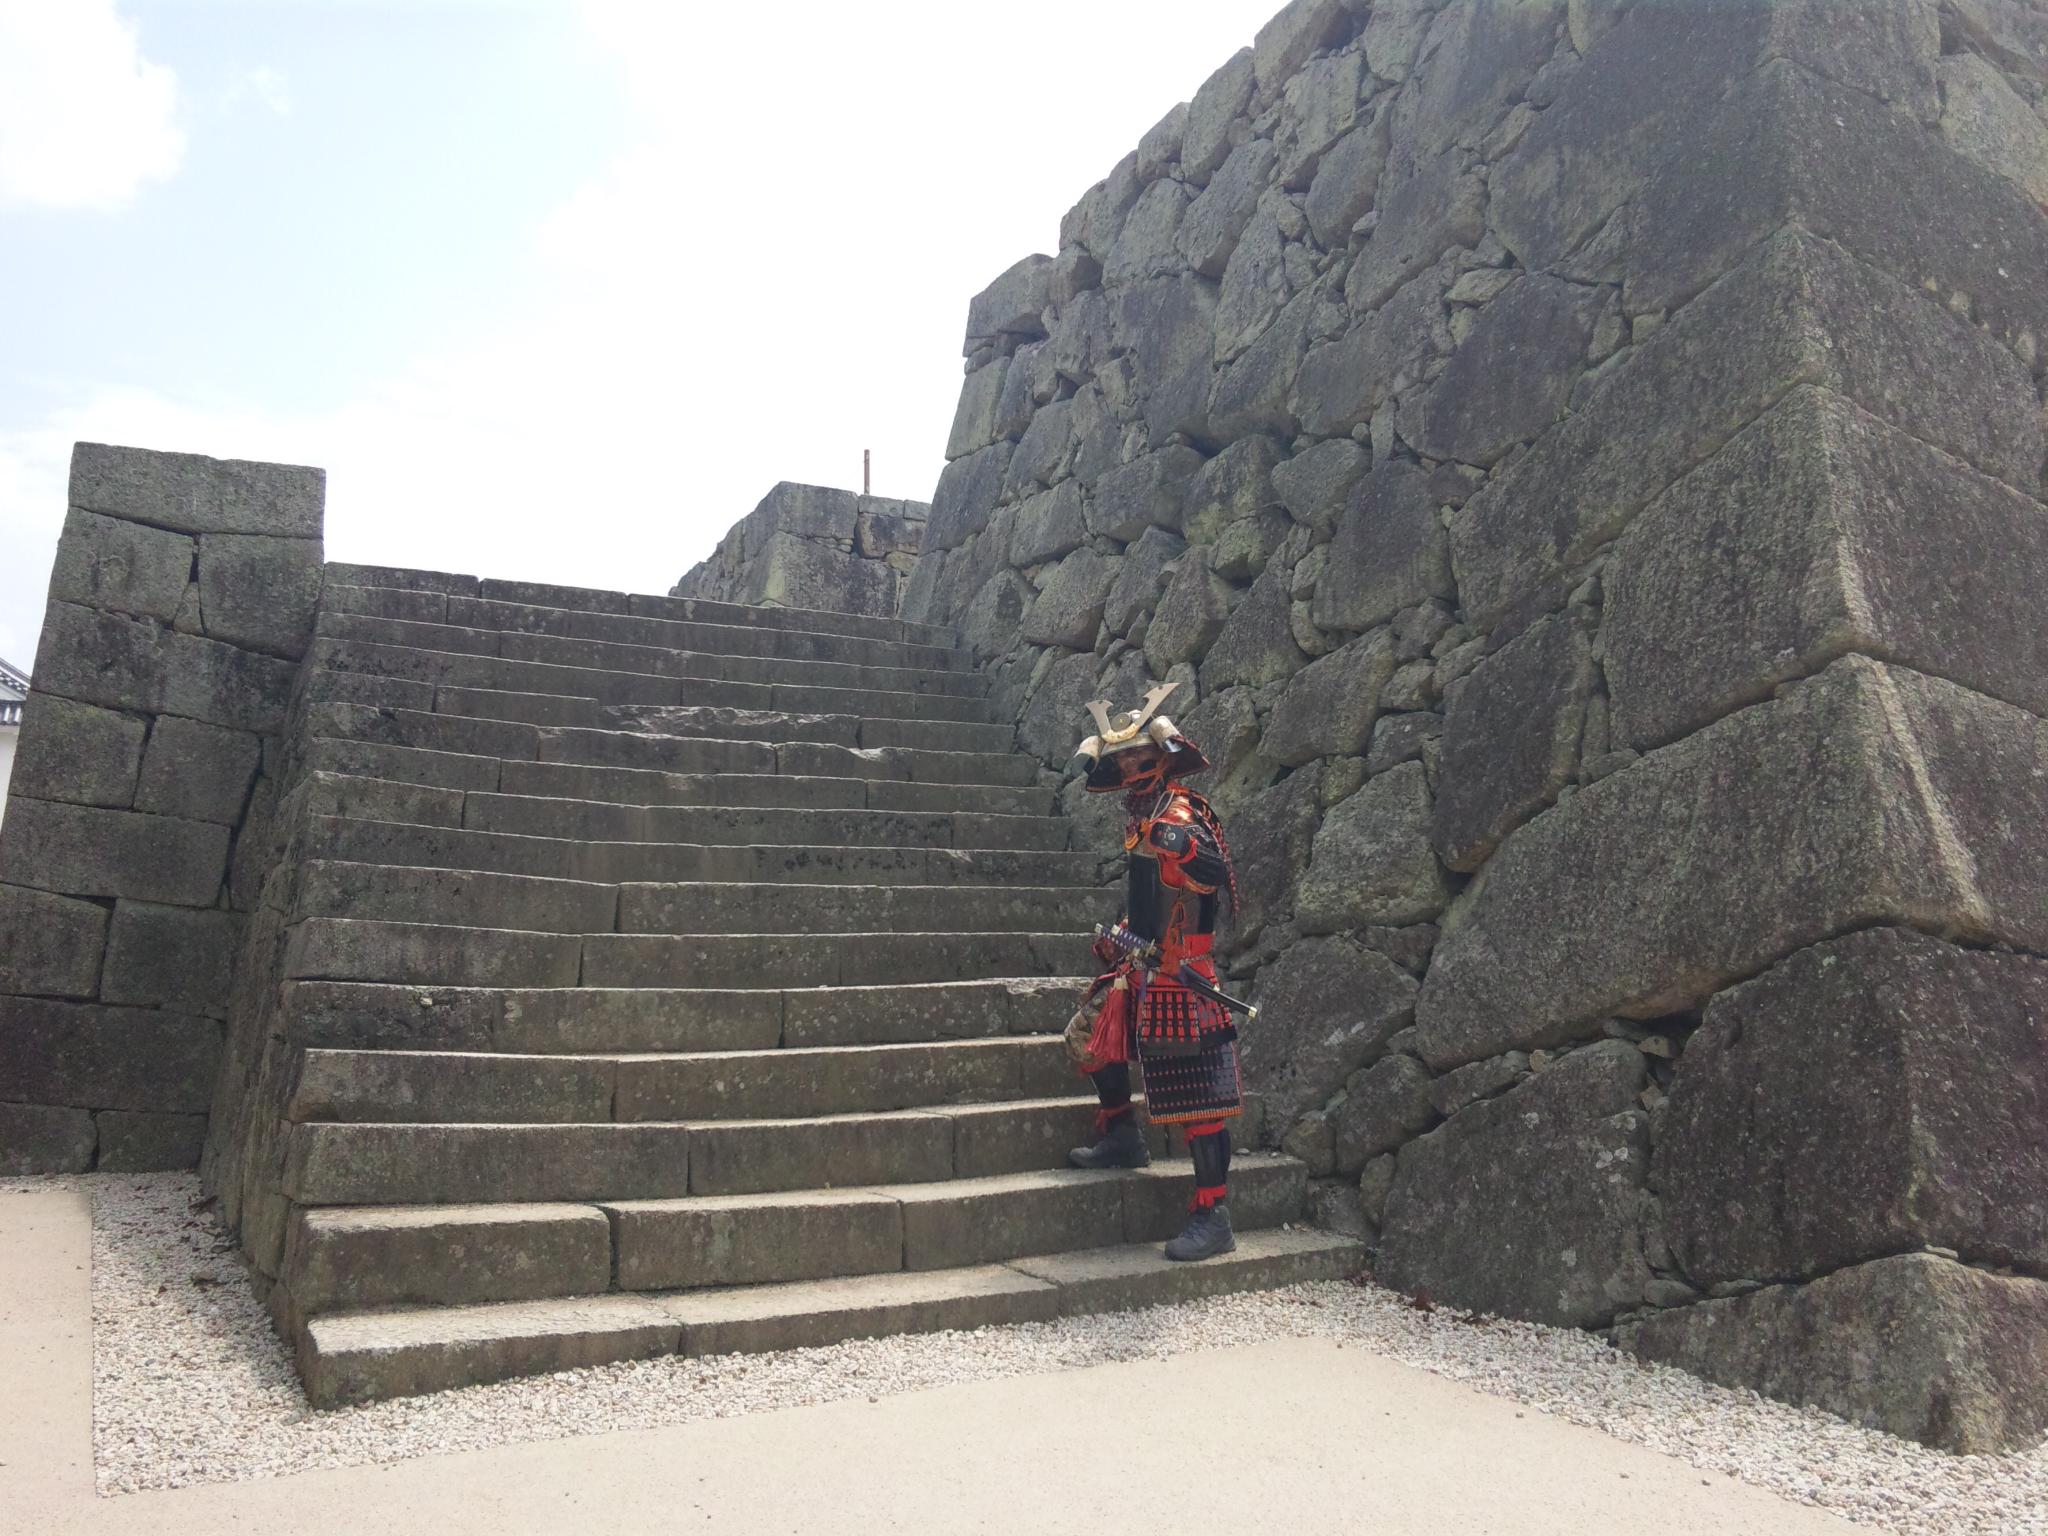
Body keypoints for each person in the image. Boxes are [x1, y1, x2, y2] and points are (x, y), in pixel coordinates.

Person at [1063, 683, 1244, 1262]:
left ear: (1163, 758)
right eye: (1121, 762)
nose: (1130, 769)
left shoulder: (1180, 813)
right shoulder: (1141, 819)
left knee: (1198, 1096)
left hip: (1183, 972)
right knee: (1089, 1037)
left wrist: (1179, 845)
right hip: (1141, 962)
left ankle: (1213, 1214)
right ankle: (1121, 1133)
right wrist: (1121, 936)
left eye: (1140, 757)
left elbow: (1211, 874)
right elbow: (1147, 899)